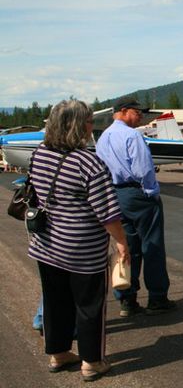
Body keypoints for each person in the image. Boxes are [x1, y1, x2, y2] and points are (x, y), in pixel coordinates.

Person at [28, 99, 130, 381]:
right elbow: (107, 212)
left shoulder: (40, 153)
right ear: (76, 126)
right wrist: (122, 243)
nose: (91, 127)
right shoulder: (89, 162)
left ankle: (58, 353)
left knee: (55, 301)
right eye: (88, 122)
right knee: (89, 307)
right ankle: (92, 362)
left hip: (46, 245)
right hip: (82, 250)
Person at [96, 96, 176, 317]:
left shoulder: (103, 137)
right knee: (152, 246)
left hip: (115, 194)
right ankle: (157, 298)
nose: (140, 115)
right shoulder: (132, 136)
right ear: (123, 111)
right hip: (138, 195)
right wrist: (151, 193)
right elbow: (144, 170)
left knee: (127, 247)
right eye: (137, 111)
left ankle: (127, 299)